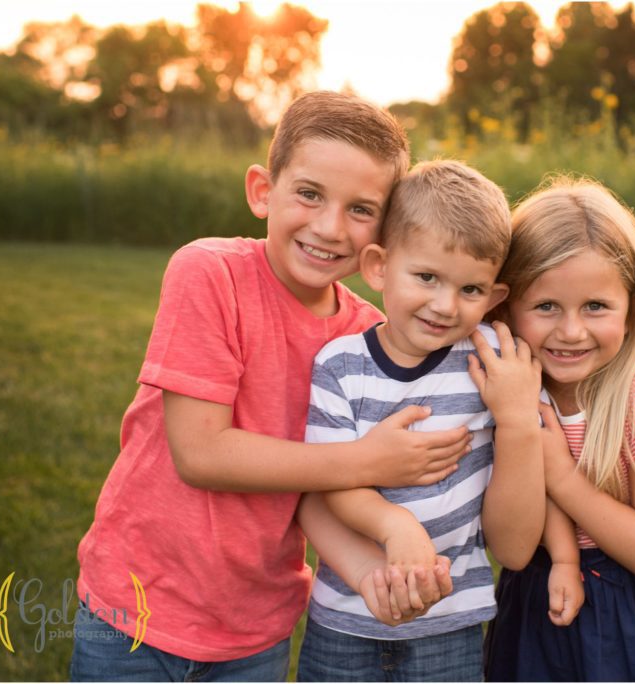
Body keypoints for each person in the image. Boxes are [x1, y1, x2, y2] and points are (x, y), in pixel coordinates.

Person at [70, 91, 468, 682]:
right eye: (309, 194)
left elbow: (312, 490)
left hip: (256, 627)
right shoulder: (210, 273)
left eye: (361, 209)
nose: (329, 227)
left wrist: (366, 574)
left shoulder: (365, 337)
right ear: (262, 191)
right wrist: (368, 459)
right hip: (135, 607)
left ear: (385, 231)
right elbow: (201, 454)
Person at [295, 160, 547, 682]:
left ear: (494, 298)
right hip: (345, 620)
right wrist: (396, 526)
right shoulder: (340, 366)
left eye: (470, 290)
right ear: (379, 267)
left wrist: (519, 416)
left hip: (451, 620)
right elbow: (330, 479)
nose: (445, 305)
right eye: (426, 277)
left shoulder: (492, 361)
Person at [482, 177, 635, 681]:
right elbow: (509, 548)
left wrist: (561, 475)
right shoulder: (509, 390)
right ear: (505, 307)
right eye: (546, 306)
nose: (571, 331)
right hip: (536, 607)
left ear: (631, 307)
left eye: (595, 306)